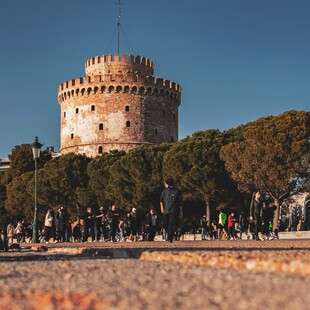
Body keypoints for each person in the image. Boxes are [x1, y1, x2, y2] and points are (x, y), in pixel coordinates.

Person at [160, 178, 181, 243]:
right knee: (164, 224)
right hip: (166, 210)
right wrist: (162, 207)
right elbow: (161, 200)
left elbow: (179, 203)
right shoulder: (164, 191)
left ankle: (170, 238)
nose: (165, 185)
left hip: (173, 210)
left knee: (171, 224)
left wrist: (181, 212)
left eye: (165, 183)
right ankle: (169, 234)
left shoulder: (176, 191)